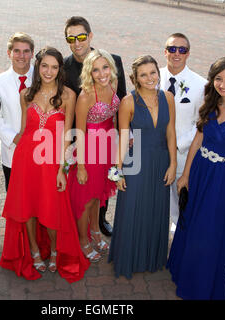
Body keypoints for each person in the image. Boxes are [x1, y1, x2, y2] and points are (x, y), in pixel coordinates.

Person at [166, 56, 225, 300]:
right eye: (218, 78)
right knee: (193, 224)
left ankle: (206, 283)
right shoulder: (210, 103)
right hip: (200, 173)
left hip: (224, 182)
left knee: (213, 232)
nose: (223, 84)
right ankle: (186, 271)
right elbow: (198, 141)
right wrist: (185, 175)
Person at [0, 47, 90, 283]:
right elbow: (23, 130)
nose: (49, 71)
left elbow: (68, 136)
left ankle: (56, 249)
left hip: (52, 162)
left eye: (54, 67)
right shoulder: (26, 94)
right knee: (27, 208)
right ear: (37, 67)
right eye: (44, 66)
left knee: (51, 208)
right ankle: (35, 251)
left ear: (60, 70)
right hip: (26, 160)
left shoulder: (69, 95)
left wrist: (63, 168)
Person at [108, 55, 177, 279]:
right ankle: (128, 256)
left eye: (153, 72)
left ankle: (151, 257)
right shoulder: (128, 102)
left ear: (159, 72)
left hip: (161, 161)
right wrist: (118, 171)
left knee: (156, 208)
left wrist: (173, 163)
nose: (150, 78)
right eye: (144, 74)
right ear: (135, 78)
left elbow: (170, 131)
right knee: (132, 209)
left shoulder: (168, 98)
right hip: (135, 162)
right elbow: (122, 138)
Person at [63, 16, 127, 237]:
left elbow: (121, 103)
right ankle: (83, 236)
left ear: (89, 36)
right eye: (71, 38)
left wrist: (122, 137)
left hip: (108, 142)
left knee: (100, 191)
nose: (77, 42)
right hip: (85, 142)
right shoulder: (65, 67)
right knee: (85, 194)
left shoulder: (114, 64)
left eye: (81, 36)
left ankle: (98, 225)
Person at [67, 49, 119, 263]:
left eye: (105, 67)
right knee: (86, 200)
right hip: (89, 151)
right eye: (95, 70)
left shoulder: (113, 86)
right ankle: (83, 240)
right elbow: (78, 132)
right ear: (89, 72)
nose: (101, 73)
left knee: (98, 196)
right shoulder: (86, 95)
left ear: (111, 68)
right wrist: (80, 167)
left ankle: (96, 232)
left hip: (107, 148)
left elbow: (113, 119)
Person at [159, 33, 206, 233]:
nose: (176, 53)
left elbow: (201, 123)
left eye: (182, 49)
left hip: (182, 152)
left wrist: (179, 143)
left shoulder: (200, 84)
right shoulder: (153, 76)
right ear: (165, 51)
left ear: (188, 53)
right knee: (159, 200)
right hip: (154, 151)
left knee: (180, 199)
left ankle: (180, 239)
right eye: (172, 48)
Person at [0, 32, 34, 190]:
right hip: (12, 151)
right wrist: (17, 139)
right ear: (9, 53)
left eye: (26, 51)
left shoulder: (43, 77)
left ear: (32, 54)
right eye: (17, 51)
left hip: (42, 151)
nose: (21, 56)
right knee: (17, 201)